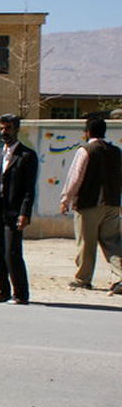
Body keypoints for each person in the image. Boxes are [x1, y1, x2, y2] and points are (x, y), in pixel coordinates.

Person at [0, 114, 37, 305]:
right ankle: (3, 290)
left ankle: (21, 293)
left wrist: (24, 213)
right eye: (2, 128)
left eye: (8, 128)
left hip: (13, 211)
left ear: (16, 129)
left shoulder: (27, 156)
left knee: (12, 252)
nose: (4, 132)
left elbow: (29, 188)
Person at [59, 117, 122, 294]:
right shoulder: (116, 151)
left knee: (86, 243)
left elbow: (75, 177)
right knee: (113, 242)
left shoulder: (85, 150)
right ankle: (120, 277)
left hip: (89, 205)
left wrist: (65, 199)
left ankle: (83, 279)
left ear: (87, 132)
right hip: (112, 204)